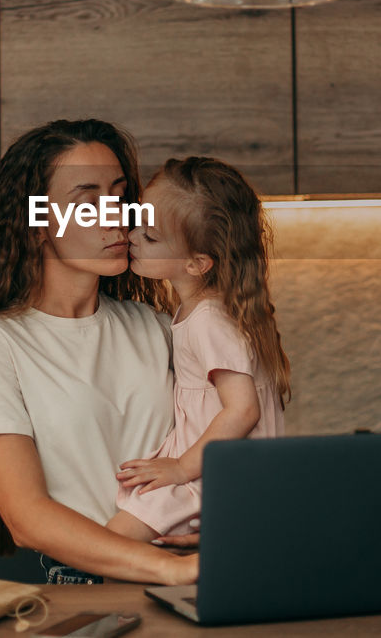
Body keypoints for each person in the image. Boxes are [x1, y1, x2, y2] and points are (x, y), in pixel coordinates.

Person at [0, 119, 198, 586]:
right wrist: (171, 570)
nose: (115, 216)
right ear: (35, 225)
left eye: (119, 195)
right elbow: (27, 517)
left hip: (186, 570)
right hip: (93, 583)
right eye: (88, 202)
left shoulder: (157, 327)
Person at [107, 157, 291, 542]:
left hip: (208, 478)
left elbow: (244, 409)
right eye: (138, 221)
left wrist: (181, 468)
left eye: (151, 237)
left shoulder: (209, 319)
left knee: (110, 545)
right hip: (217, 474)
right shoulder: (204, 310)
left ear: (196, 263)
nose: (132, 236)